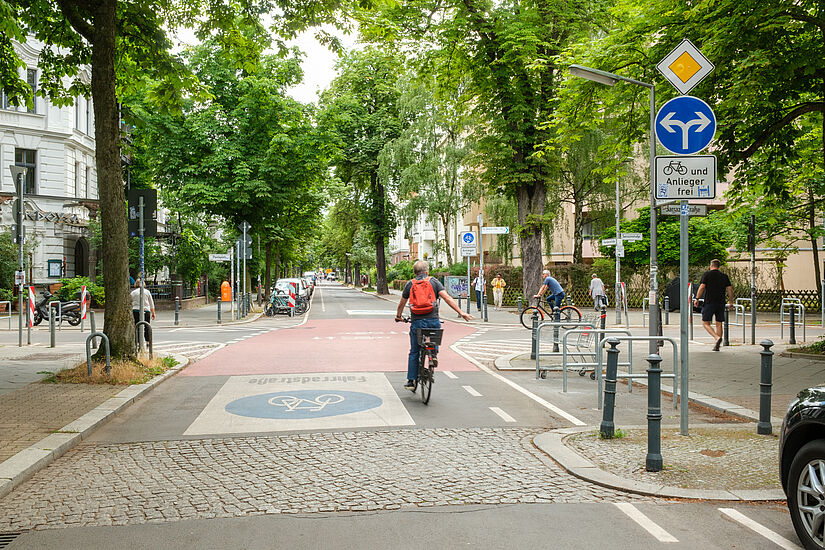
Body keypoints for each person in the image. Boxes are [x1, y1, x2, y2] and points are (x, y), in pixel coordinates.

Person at [396, 261, 473, 390]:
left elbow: (401, 304)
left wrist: (398, 316)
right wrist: (461, 312)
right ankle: (433, 355)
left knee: (414, 351)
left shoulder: (410, 284)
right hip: (433, 320)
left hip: (417, 322)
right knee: (434, 337)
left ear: (414, 273)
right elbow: (447, 298)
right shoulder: (434, 282)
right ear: (427, 272)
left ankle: (411, 380)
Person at [694, 259, 734, 351]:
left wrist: (697, 298)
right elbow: (730, 289)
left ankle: (716, 338)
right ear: (718, 266)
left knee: (705, 322)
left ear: (711, 265)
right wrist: (731, 302)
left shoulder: (707, 274)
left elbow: (702, 287)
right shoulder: (724, 276)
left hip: (709, 302)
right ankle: (717, 346)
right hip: (721, 303)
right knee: (719, 323)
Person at [130, 279, 155, 344]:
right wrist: (153, 313)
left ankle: (137, 342)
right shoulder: (147, 292)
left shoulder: (133, 292)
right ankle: (148, 341)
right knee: (147, 326)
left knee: (136, 326)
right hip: (146, 310)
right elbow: (151, 303)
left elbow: (130, 302)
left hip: (135, 310)